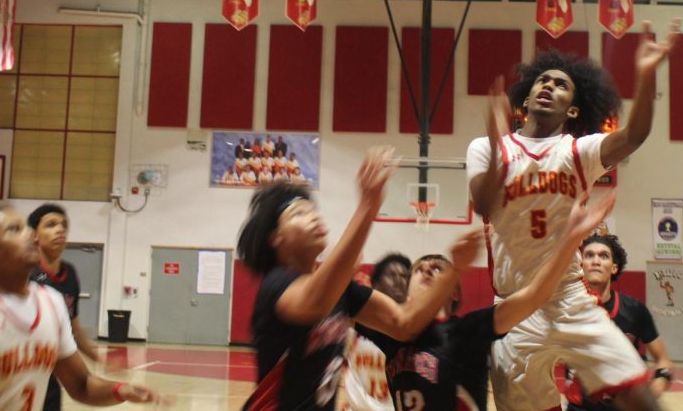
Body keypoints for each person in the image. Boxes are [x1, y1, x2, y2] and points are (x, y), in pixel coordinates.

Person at [467, 21, 680, 411]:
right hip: (514, 305)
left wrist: (646, 77)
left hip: (569, 297)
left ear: (574, 107)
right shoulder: (485, 146)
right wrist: (498, 145)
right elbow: (483, 203)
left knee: (639, 394)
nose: (548, 86)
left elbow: (633, 137)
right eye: (542, 81)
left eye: (561, 84)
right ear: (527, 97)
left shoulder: (578, 152)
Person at [236, 149, 479, 411]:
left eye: (312, 210)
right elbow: (316, 301)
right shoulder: (276, 285)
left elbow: (404, 324)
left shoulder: (343, 292)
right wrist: (368, 205)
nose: (313, 216)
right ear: (276, 238)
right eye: (298, 214)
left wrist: (455, 270)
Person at [372, 190, 616, 411]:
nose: (426, 271)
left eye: (436, 268)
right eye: (419, 269)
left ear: (454, 291)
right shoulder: (392, 330)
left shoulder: (468, 330)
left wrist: (572, 238)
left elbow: (535, 294)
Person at [0, 206, 158, 411]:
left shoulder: (51, 302)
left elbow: (81, 385)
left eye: (28, 227)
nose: (30, 234)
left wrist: (122, 390)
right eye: (15, 229)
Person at [564, 233, 674, 409]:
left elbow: (663, 361)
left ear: (614, 267)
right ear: (580, 265)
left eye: (603, 256)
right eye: (589, 255)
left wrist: (654, 390)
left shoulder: (635, 310)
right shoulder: (564, 311)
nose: (596, 260)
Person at [28, 203, 101, 411]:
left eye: (63, 225)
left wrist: (97, 357)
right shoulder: (25, 272)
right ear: (34, 234)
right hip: (20, 367)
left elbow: (74, 327)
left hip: (50, 371)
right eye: (51, 225)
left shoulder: (69, 273)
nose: (60, 229)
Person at [343, 253, 412, 411]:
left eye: (404, 276)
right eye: (392, 275)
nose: (399, 281)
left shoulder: (414, 329)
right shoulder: (353, 323)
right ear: (375, 283)